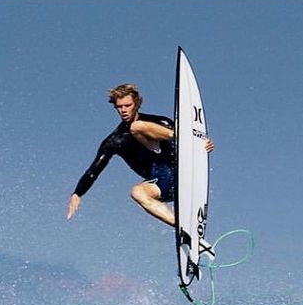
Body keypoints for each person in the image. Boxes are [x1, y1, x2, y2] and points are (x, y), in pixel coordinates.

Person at [67, 82, 214, 237]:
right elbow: (93, 171)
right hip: (163, 181)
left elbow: (197, 138)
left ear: (136, 103)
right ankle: (183, 227)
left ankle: (182, 139)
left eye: (127, 105)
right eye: (119, 107)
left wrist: (202, 143)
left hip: (178, 164)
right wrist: (77, 193)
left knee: (136, 127)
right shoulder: (114, 141)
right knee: (136, 192)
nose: (123, 110)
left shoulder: (160, 122)